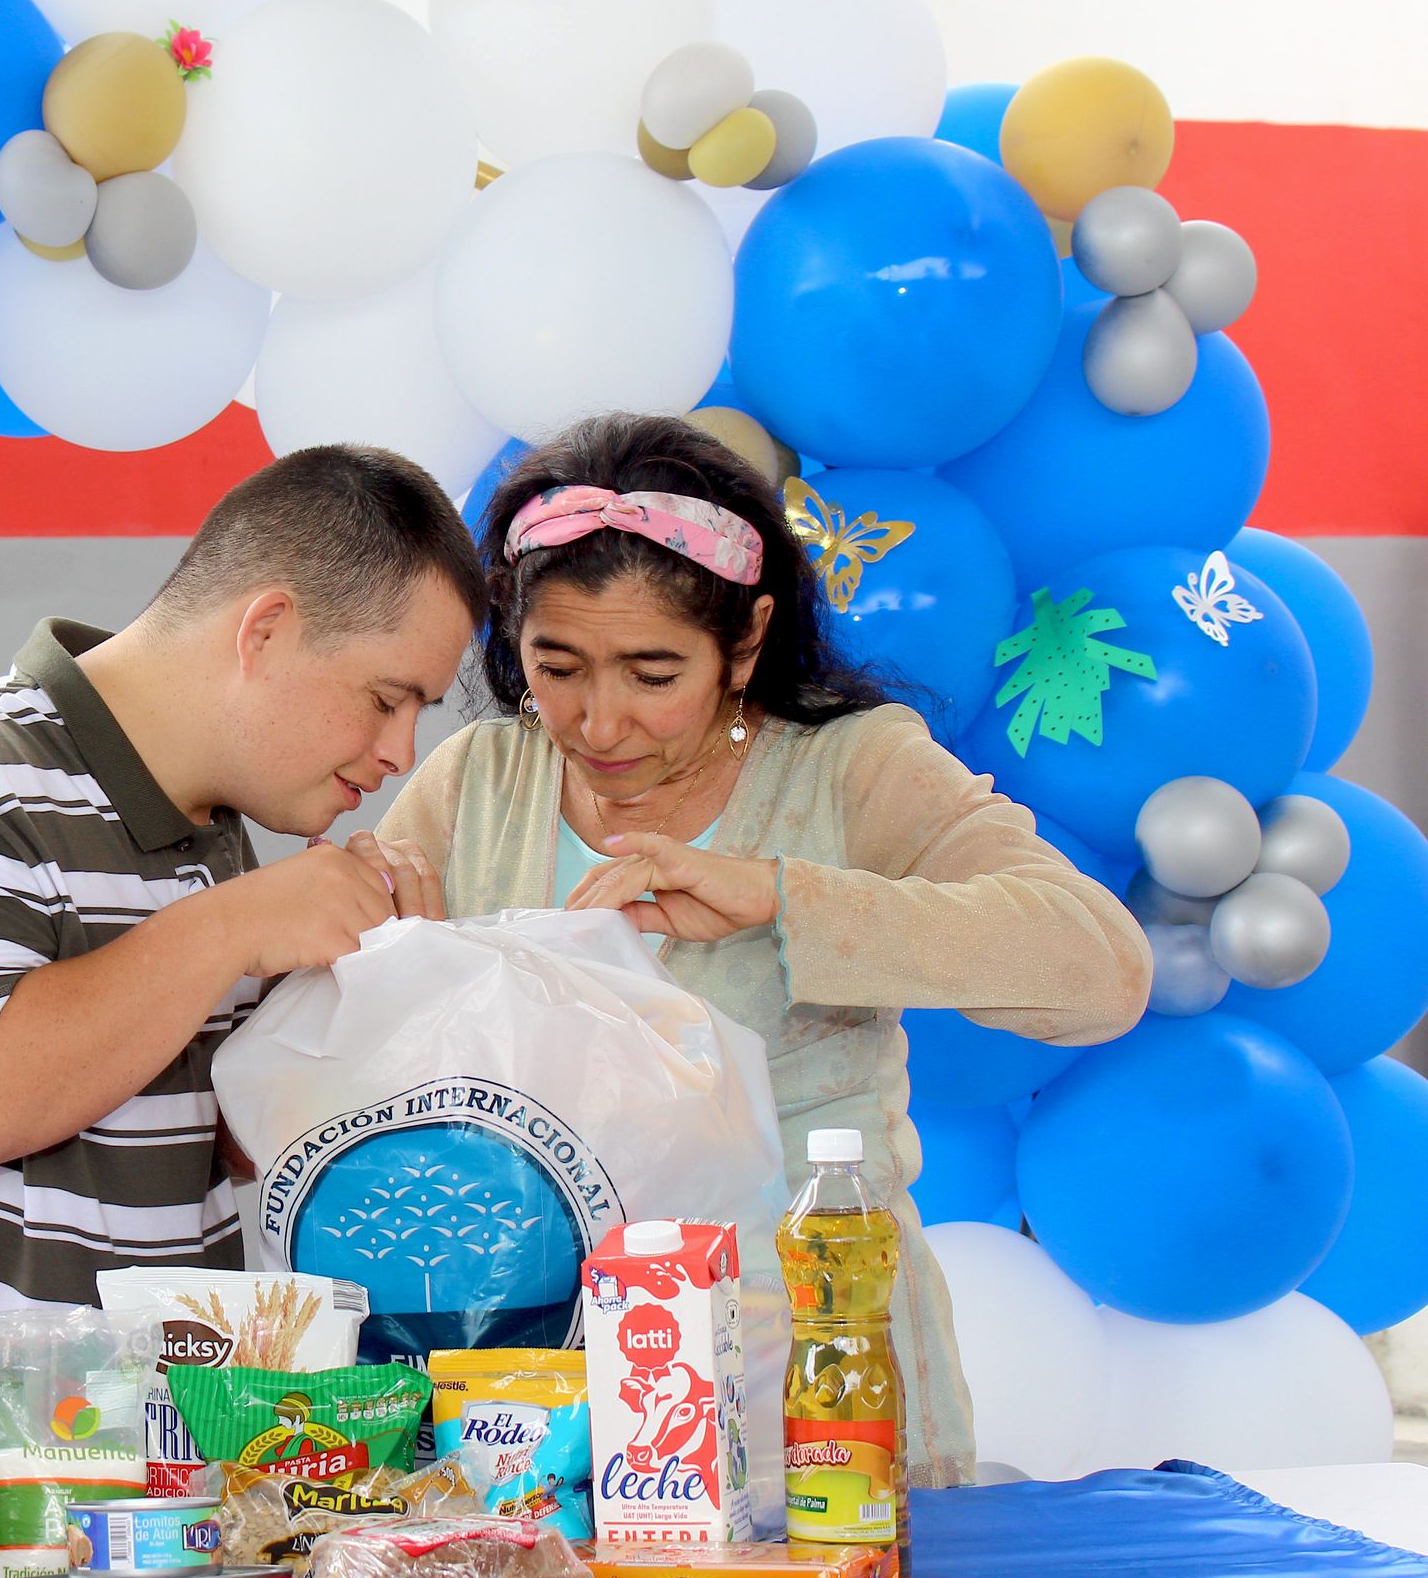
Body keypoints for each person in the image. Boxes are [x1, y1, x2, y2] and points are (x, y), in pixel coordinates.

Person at [372, 413, 1152, 1487]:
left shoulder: (850, 770)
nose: (598, 723)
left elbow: (1100, 972)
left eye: (654, 675)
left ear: (745, 643)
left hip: (816, 1369)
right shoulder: (478, 781)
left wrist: (787, 901)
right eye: (557, 668)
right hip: (534, 1387)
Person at [0, 445, 486, 1322]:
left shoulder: (215, 835)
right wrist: (233, 926)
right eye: (388, 699)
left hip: (98, 1433)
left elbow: (223, 1145)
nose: (400, 754)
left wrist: (352, 1003)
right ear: (265, 629)